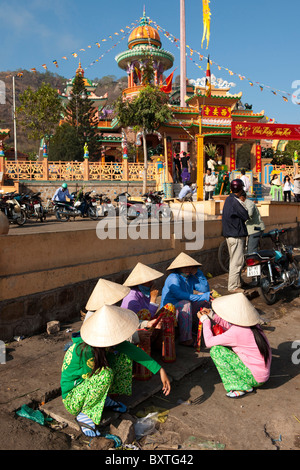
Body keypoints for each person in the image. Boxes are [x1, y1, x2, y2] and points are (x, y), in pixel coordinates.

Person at [61, 304, 171, 438]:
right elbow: (91, 379)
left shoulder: (101, 342)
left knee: (122, 356)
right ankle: (85, 414)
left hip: (87, 388)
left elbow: (133, 351)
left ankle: (102, 399)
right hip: (73, 399)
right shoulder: (84, 351)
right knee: (105, 374)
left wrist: (160, 370)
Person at [197, 293, 271, 398]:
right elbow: (231, 327)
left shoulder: (237, 332)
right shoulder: (254, 326)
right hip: (262, 374)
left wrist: (205, 320)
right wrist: (212, 315)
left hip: (255, 378)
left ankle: (241, 386)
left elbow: (209, 342)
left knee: (216, 351)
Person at [160, 252, 211, 346]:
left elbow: (204, 289)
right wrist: (202, 296)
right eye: (185, 267)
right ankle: (185, 339)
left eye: (190, 267)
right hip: (169, 310)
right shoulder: (173, 278)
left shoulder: (190, 277)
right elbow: (180, 295)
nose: (188, 269)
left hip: (184, 307)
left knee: (205, 300)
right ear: (178, 268)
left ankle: (199, 330)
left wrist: (198, 273)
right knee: (186, 303)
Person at [121, 263, 165, 346]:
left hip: (147, 323)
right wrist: (153, 299)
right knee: (145, 313)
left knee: (169, 309)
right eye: (149, 282)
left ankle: (163, 346)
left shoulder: (145, 292)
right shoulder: (132, 297)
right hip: (134, 329)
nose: (152, 284)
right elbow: (146, 316)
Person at [222, 179, 249, 293]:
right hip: (236, 235)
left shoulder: (229, 200)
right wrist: (243, 202)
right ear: (240, 189)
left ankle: (238, 283)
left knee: (234, 260)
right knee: (237, 262)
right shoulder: (235, 201)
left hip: (230, 235)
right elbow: (245, 215)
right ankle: (233, 286)